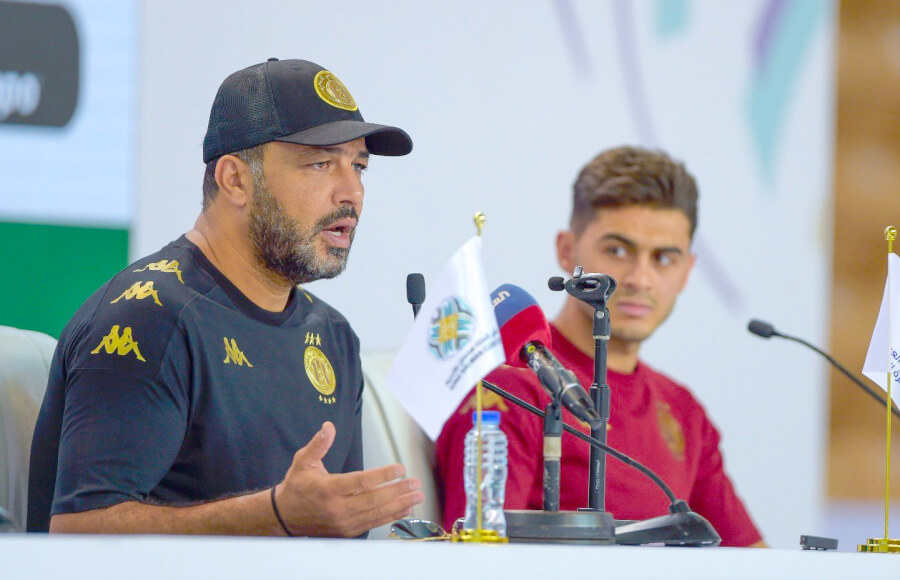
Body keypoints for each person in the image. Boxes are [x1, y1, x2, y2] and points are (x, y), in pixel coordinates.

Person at [27, 58, 424, 537]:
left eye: (359, 166)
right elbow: (76, 534)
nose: (353, 192)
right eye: (321, 163)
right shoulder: (148, 319)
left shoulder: (334, 337)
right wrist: (274, 515)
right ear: (235, 179)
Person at [435, 146, 765, 547]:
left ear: (686, 272)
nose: (640, 278)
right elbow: (476, 562)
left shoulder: (683, 410)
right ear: (566, 251)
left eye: (663, 258)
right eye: (618, 250)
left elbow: (752, 558)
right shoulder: (510, 386)